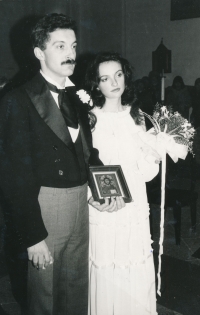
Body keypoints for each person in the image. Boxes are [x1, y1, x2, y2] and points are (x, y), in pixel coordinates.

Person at [0, 13, 94, 315]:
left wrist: (104, 187)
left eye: (74, 46)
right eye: (60, 46)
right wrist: (33, 237)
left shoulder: (78, 95)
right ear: (39, 52)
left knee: (76, 286)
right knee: (44, 295)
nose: (71, 54)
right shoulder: (18, 99)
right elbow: (14, 175)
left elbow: (86, 152)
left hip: (81, 201)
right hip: (46, 206)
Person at [85, 52, 162, 315]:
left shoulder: (138, 117)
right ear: (96, 84)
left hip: (135, 205)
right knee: (107, 264)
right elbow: (84, 167)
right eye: (105, 78)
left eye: (118, 75)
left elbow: (147, 175)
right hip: (103, 205)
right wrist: (92, 197)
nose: (114, 82)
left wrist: (154, 155)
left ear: (125, 77)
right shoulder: (90, 119)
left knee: (133, 262)